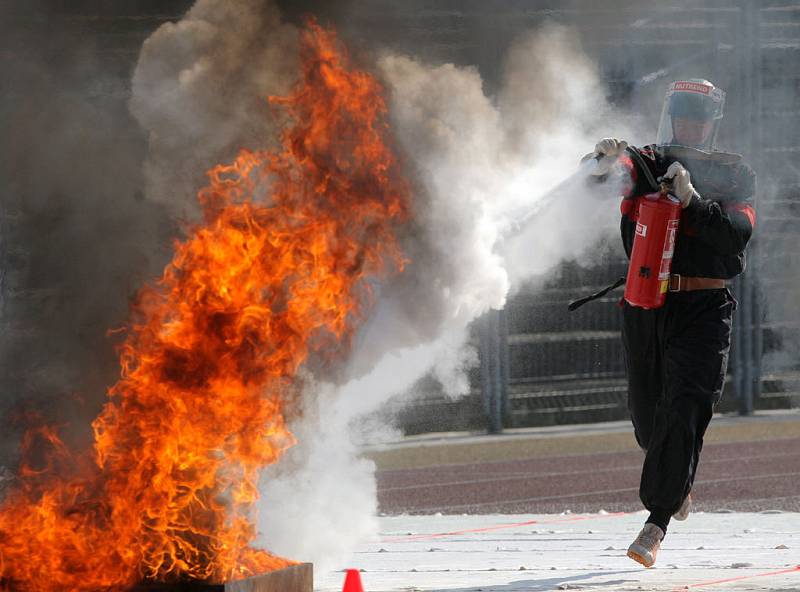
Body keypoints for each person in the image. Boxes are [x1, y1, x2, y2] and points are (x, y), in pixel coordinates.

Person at [588, 79, 756, 567]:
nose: (690, 123)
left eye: (699, 115)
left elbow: (736, 235)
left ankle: (655, 522)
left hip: (704, 310)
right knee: (648, 419)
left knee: (683, 407)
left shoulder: (734, 173)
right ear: (671, 115)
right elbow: (603, 178)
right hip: (645, 306)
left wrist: (692, 201)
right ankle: (675, 482)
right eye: (682, 113)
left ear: (712, 122)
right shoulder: (647, 162)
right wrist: (599, 159)